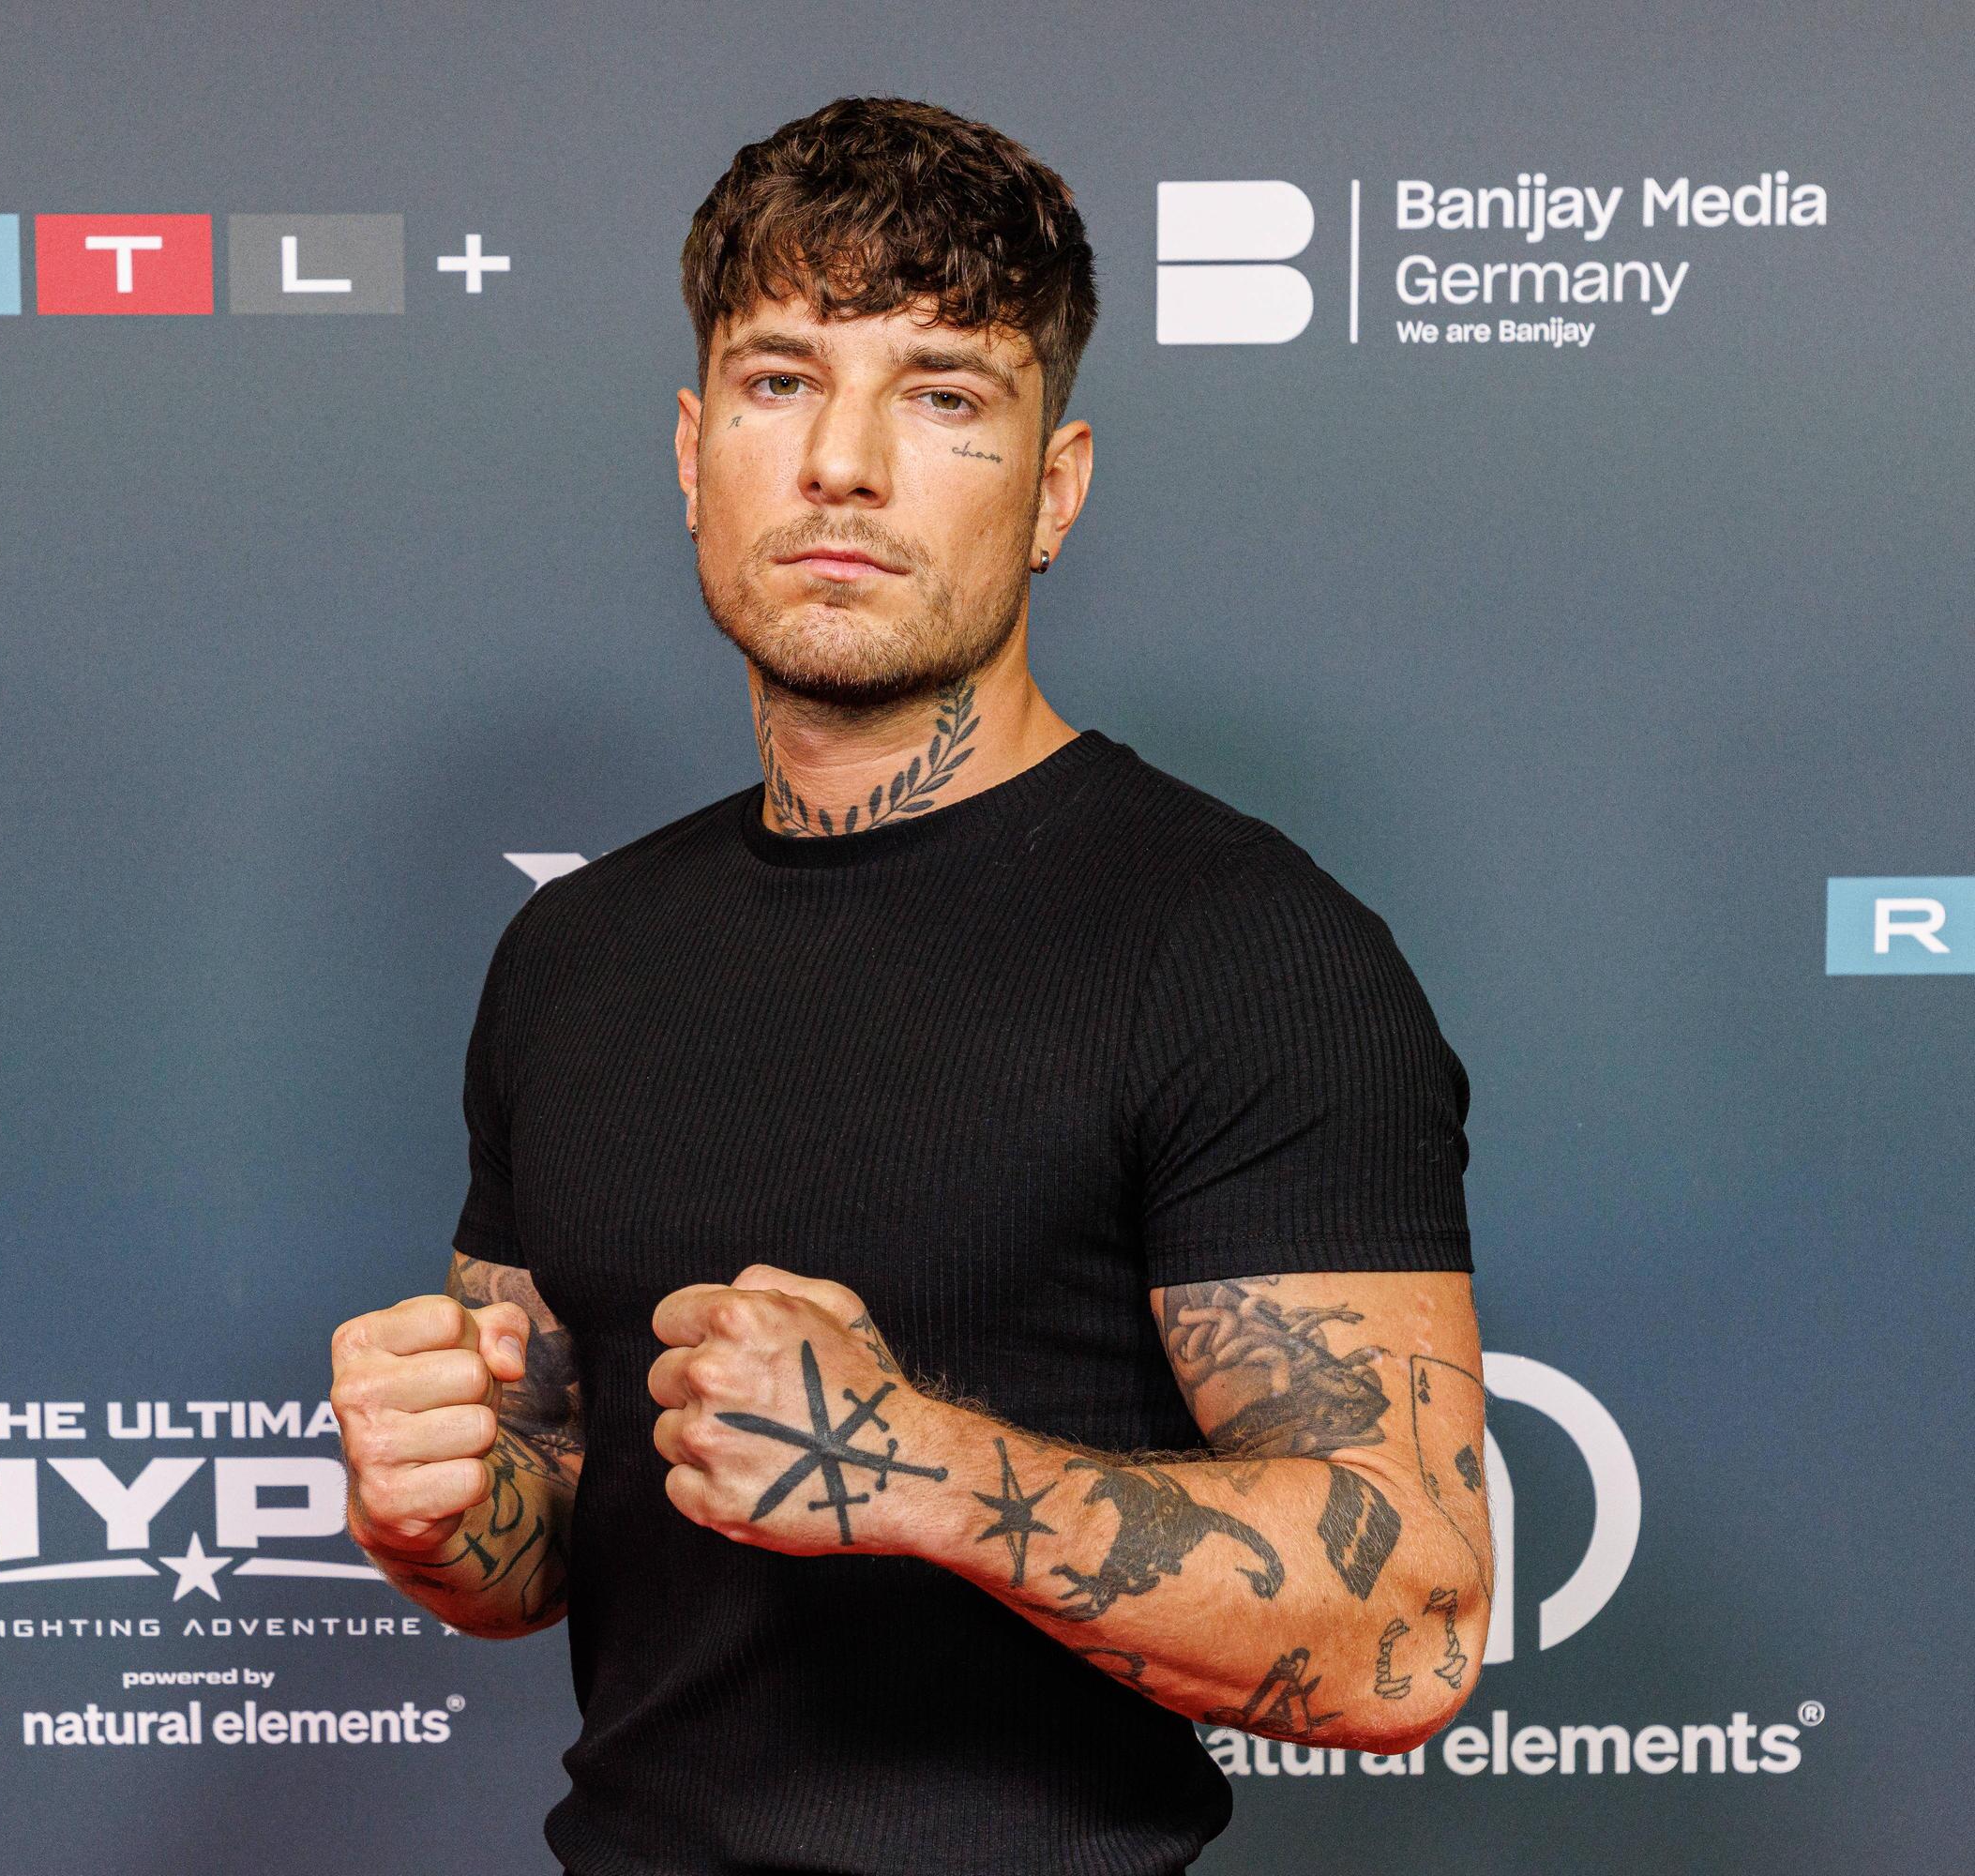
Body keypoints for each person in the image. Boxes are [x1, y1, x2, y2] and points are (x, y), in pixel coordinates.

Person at [328, 96, 1493, 1876]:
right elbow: (541, 1526)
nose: (842, 464)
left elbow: (1412, 1624)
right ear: (694, 450)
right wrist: (435, 1510)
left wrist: (922, 1473)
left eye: (943, 395)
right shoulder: (577, 948)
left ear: (1055, 489)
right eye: (780, 380)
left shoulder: (1240, 946)